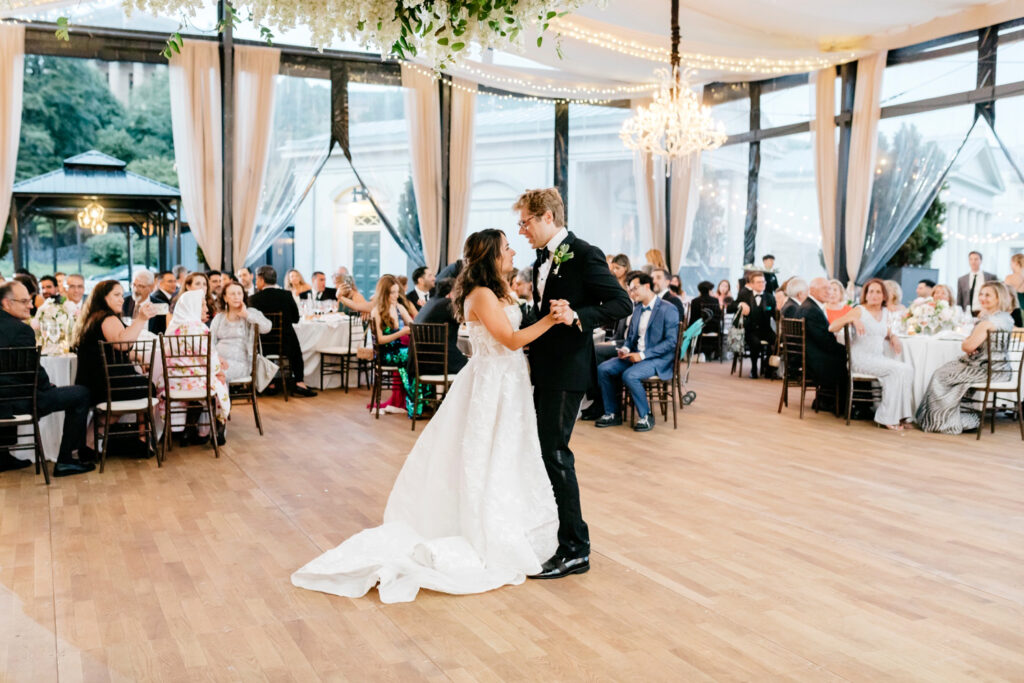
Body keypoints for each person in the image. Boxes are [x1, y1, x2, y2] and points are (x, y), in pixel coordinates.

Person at [292, 229, 565, 603]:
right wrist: (552, 320)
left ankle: (514, 520)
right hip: (493, 381)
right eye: (506, 248)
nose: (513, 251)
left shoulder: (498, 291)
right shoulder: (482, 295)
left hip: (509, 380)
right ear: (490, 256)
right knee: (489, 452)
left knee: (510, 451)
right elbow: (511, 340)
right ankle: (484, 525)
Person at [517, 187, 632, 579]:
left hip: (568, 370)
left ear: (547, 217)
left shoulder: (584, 253)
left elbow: (621, 303)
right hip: (545, 368)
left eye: (526, 222)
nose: (521, 230)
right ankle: (557, 535)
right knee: (546, 454)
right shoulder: (539, 260)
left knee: (556, 454)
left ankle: (575, 549)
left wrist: (577, 315)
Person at [0, 281, 94, 477]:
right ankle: (66, 460)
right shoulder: (21, 330)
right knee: (81, 394)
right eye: (24, 301)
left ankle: (2, 456)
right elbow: (32, 371)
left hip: (5, 400)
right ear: (6, 303)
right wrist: (47, 386)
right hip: (17, 402)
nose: (31, 305)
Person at [71, 280, 157, 455]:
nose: (122, 299)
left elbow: (106, 350)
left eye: (121, 294)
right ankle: (142, 441)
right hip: (105, 383)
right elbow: (122, 344)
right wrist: (140, 319)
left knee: (135, 390)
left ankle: (89, 444)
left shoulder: (93, 317)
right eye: (116, 295)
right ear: (103, 297)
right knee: (148, 387)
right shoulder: (107, 318)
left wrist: (136, 356)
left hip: (94, 381)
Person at [917, 281, 1015, 434]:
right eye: (981, 294)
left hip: (985, 369)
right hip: (1001, 368)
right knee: (948, 369)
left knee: (940, 375)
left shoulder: (987, 322)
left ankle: (942, 421)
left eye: (988, 295)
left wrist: (969, 342)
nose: (983, 298)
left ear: (999, 298)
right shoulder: (1006, 318)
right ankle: (961, 414)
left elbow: (967, 346)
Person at [595, 271, 679, 432]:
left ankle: (646, 416)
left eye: (634, 289)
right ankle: (612, 413)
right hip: (634, 356)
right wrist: (625, 348)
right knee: (603, 369)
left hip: (657, 359)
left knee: (629, 375)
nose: (631, 293)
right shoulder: (638, 309)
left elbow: (671, 342)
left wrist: (642, 355)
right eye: (630, 290)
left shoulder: (669, 309)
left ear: (647, 286)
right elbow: (632, 337)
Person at [827, 279, 913, 430]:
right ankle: (885, 417)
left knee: (907, 369)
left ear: (884, 296)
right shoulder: (859, 310)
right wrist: (853, 318)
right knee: (897, 370)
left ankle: (901, 415)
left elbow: (883, 330)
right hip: (860, 358)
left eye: (878, 292)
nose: (874, 295)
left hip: (877, 358)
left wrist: (892, 336)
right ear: (865, 295)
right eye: (871, 291)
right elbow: (832, 327)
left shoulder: (885, 312)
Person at [157, 290, 231, 446]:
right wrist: (219, 371)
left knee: (210, 382)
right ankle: (217, 427)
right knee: (221, 381)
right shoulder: (198, 328)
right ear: (193, 307)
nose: (205, 309)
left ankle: (187, 431)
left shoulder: (172, 328)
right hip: (196, 385)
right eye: (202, 305)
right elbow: (209, 359)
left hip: (171, 385)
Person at [249, 266, 317, 397]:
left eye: (257, 279)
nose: (256, 282)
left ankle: (270, 383)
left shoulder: (253, 299)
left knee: (256, 345)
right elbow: (296, 319)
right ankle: (299, 382)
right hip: (286, 344)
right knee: (296, 349)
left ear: (262, 280)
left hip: (264, 346)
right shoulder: (286, 295)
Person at [210, 282, 272, 383]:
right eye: (232, 294)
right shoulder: (219, 317)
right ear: (225, 298)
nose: (236, 297)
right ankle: (219, 397)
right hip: (219, 360)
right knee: (207, 372)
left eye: (239, 293)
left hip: (241, 363)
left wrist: (247, 315)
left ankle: (221, 398)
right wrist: (217, 358)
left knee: (217, 374)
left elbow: (267, 327)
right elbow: (210, 341)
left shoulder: (251, 313)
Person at [799, 277, 848, 402]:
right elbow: (825, 342)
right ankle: (838, 403)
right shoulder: (812, 310)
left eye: (830, 288)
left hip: (810, 356)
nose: (829, 292)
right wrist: (846, 350)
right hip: (813, 362)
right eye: (824, 288)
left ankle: (826, 399)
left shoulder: (809, 306)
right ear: (812, 290)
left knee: (843, 354)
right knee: (847, 358)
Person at [409, 277, 467, 377]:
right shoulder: (448, 304)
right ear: (451, 292)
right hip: (436, 362)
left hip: (419, 361)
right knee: (471, 367)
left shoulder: (431, 302)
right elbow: (466, 320)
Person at [736, 270, 776, 379]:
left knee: (777, 341)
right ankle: (754, 368)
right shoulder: (745, 295)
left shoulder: (770, 297)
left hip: (766, 330)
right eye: (759, 282)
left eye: (763, 282)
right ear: (752, 284)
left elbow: (775, 316)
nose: (762, 284)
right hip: (751, 330)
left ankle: (769, 367)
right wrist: (741, 304)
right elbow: (732, 306)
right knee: (755, 343)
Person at [957, 251, 997, 316]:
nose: (973, 262)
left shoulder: (990, 277)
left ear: (981, 261)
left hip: (986, 312)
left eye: (976, 259)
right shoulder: (962, 279)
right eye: (971, 259)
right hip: (968, 313)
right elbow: (959, 299)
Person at [149, 270, 177, 334]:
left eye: (175, 281)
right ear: (160, 283)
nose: (174, 284)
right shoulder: (157, 298)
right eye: (170, 281)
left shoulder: (171, 297)